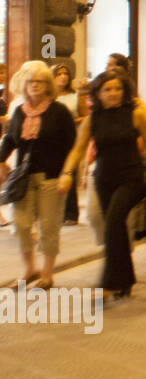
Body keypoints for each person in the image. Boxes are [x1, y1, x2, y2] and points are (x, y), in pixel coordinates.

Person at [57, 70, 146, 298]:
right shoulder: (92, 119)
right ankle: (125, 279)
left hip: (132, 178)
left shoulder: (135, 114)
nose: (114, 93)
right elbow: (77, 149)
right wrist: (67, 173)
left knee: (115, 221)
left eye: (118, 89)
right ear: (98, 93)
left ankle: (109, 281)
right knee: (113, 228)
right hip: (104, 179)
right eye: (108, 89)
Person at [0, 62, 76, 288]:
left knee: (49, 226)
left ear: (47, 86)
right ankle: (29, 269)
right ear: (24, 85)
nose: (34, 86)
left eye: (40, 82)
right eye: (31, 82)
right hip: (24, 178)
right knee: (22, 224)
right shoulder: (19, 111)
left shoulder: (59, 111)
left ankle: (47, 273)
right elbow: (10, 140)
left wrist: (68, 173)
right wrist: (1, 160)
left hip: (51, 177)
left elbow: (72, 145)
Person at [52, 64, 82, 226]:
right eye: (59, 74)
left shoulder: (75, 96)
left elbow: (84, 117)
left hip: (71, 138)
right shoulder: (49, 97)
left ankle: (71, 213)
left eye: (65, 74)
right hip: (53, 141)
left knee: (70, 172)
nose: (63, 76)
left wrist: (69, 121)